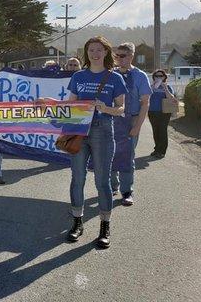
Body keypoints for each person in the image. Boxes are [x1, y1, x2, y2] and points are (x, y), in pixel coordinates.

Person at [65, 36, 127, 248]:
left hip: (103, 131)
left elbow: (121, 109)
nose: (95, 53)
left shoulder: (115, 78)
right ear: (86, 53)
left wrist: (105, 108)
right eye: (91, 50)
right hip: (79, 132)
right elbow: (69, 105)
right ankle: (77, 223)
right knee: (78, 178)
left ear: (106, 52)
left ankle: (104, 226)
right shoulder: (78, 76)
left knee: (102, 181)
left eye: (99, 49)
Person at [110, 42, 152, 206]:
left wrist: (137, 126)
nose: (119, 59)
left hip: (131, 120)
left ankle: (127, 191)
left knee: (127, 157)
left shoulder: (140, 76)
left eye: (123, 56)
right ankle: (112, 186)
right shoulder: (111, 74)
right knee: (109, 155)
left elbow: (145, 103)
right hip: (112, 120)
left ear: (131, 56)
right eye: (117, 55)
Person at [148, 69, 177, 159]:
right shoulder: (151, 86)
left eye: (161, 76)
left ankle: (162, 151)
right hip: (152, 111)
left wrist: (165, 88)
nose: (159, 77)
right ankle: (157, 149)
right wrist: (152, 87)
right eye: (157, 76)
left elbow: (171, 98)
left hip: (164, 112)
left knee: (162, 131)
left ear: (164, 77)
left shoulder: (168, 86)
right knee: (155, 131)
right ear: (154, 77)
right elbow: (146, 96)